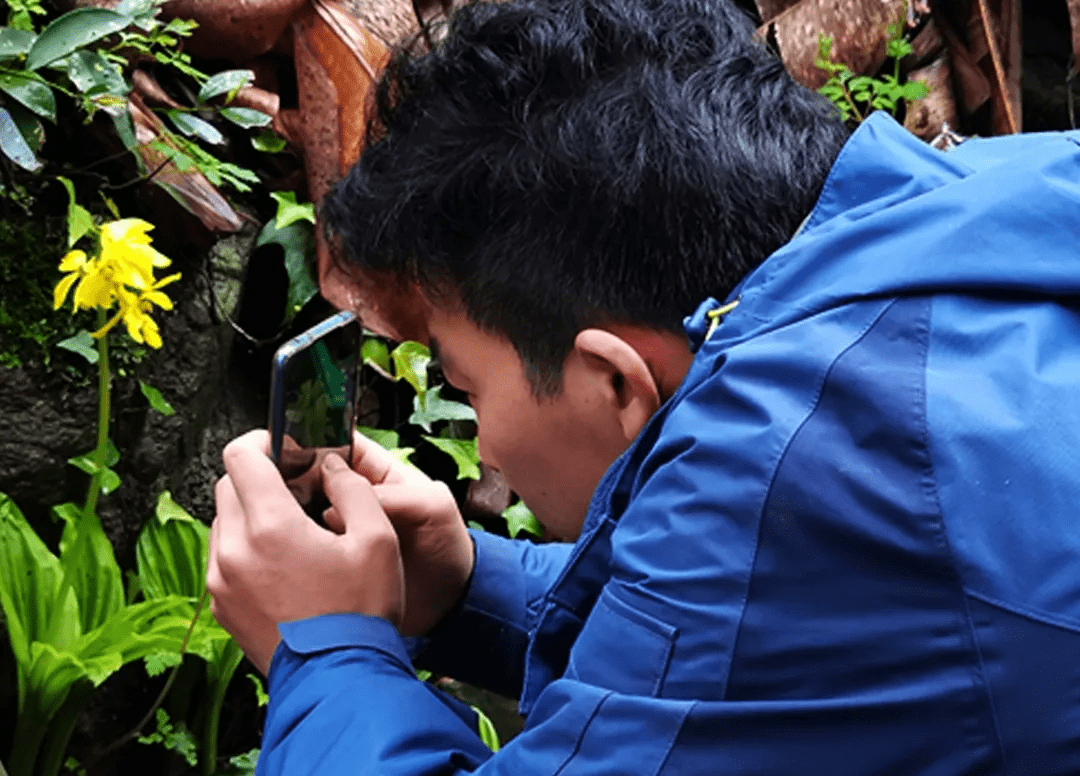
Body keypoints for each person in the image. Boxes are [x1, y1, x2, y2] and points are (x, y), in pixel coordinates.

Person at [206, 0, 1080, 771]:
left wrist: (324, 649)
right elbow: (764, 644)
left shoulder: (786, 457)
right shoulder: (963, 221)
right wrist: (472, 586)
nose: (485, 444)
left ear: (615, 382)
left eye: (465, 388)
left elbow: (743, 583)